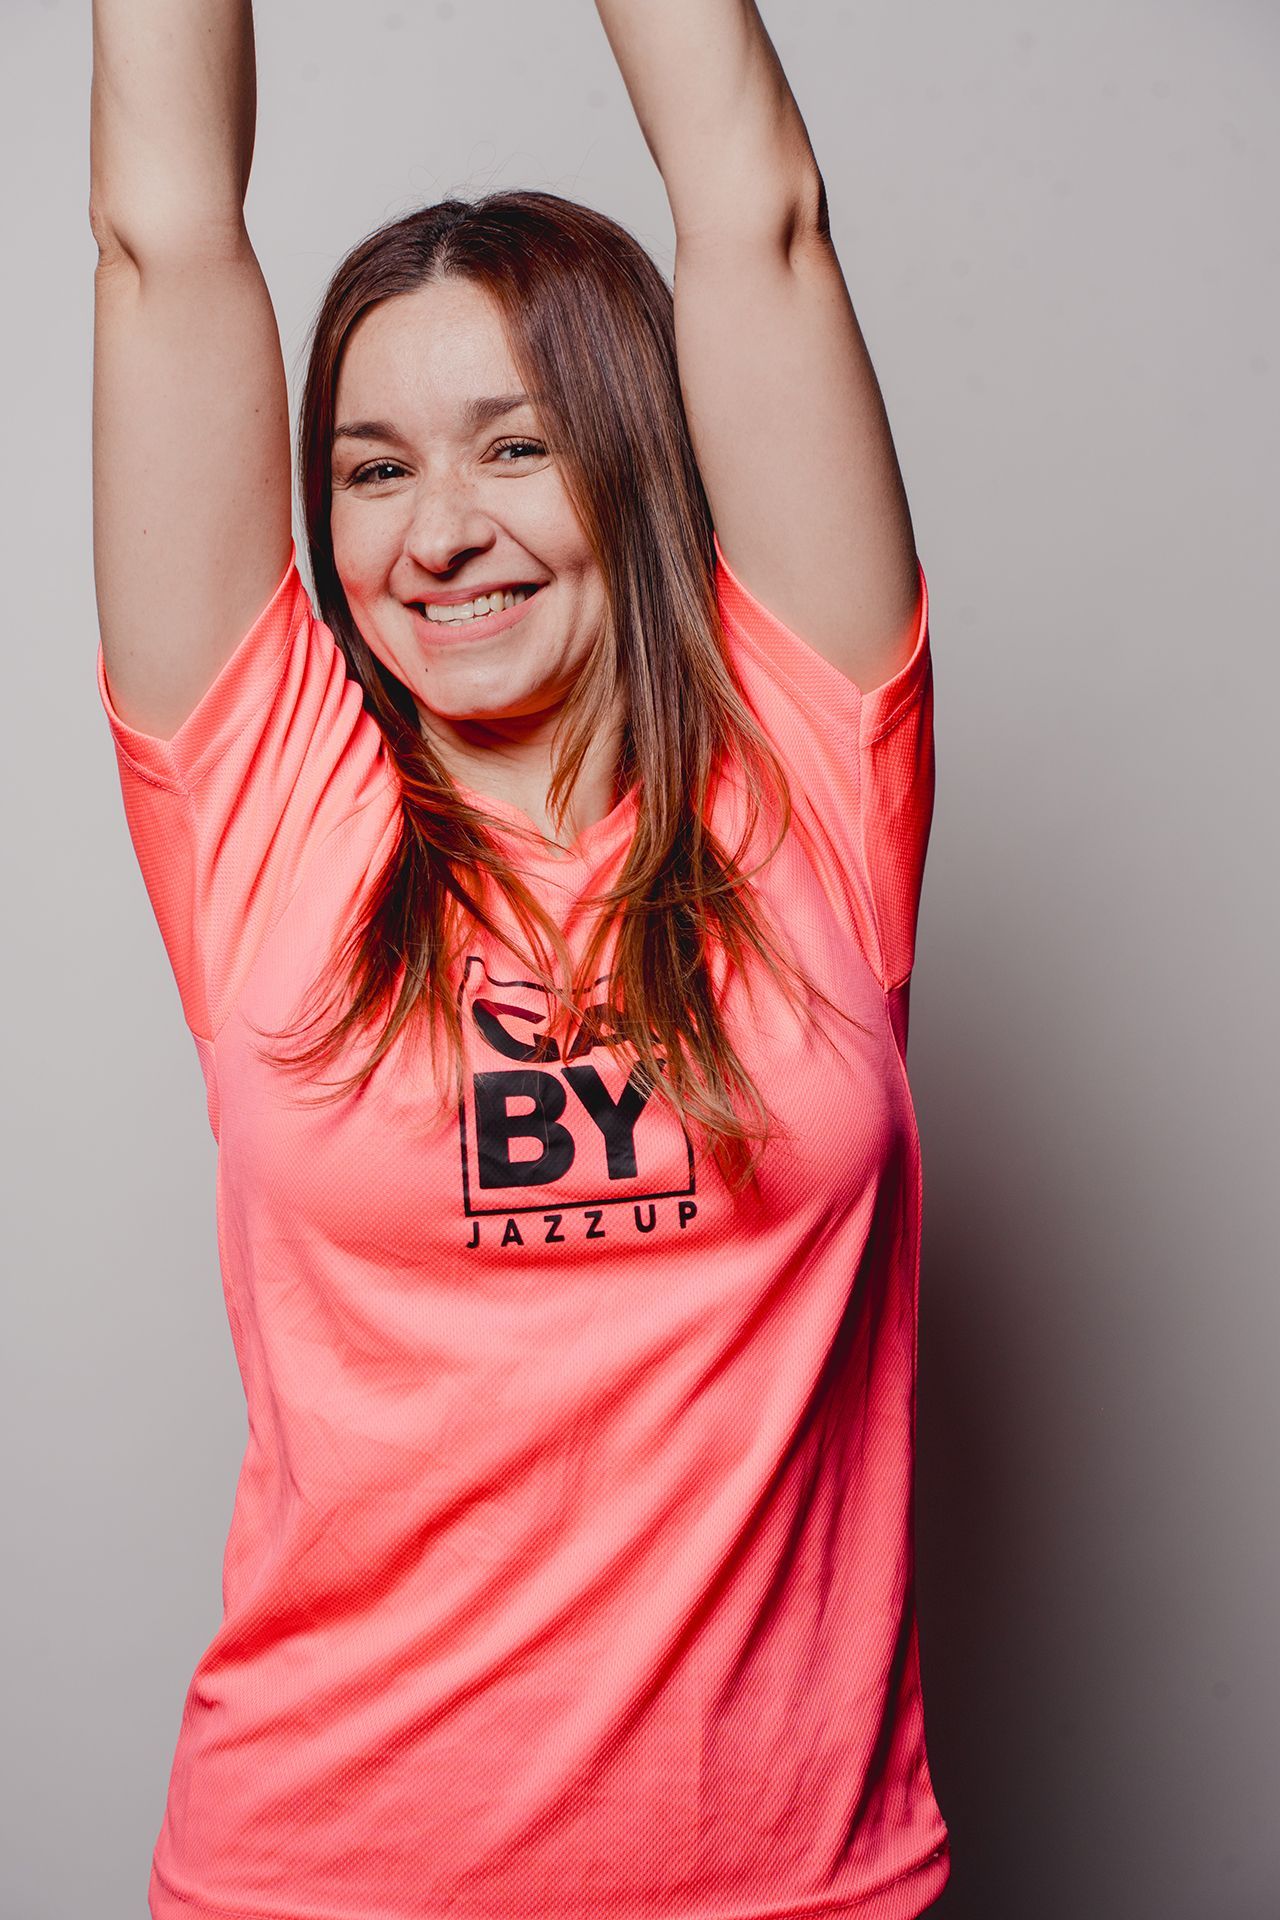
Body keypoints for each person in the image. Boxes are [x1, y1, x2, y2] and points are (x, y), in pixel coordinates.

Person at [89, 2, 948, 1916]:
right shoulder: (266, 808)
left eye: (515, 446)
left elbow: (759, 215)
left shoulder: (808, 766)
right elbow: (162, 236)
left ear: (636, 460)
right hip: (323, 1878)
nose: (441, 534)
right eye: (373, 471)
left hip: (802, 1892)